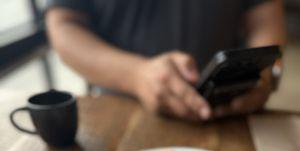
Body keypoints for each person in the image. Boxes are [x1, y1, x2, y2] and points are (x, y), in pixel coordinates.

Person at [45, 0, 285, 121]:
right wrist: (136, 75)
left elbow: (266, 17)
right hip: (119, 112)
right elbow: (63, 24)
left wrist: (264, 72)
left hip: (229, 112)